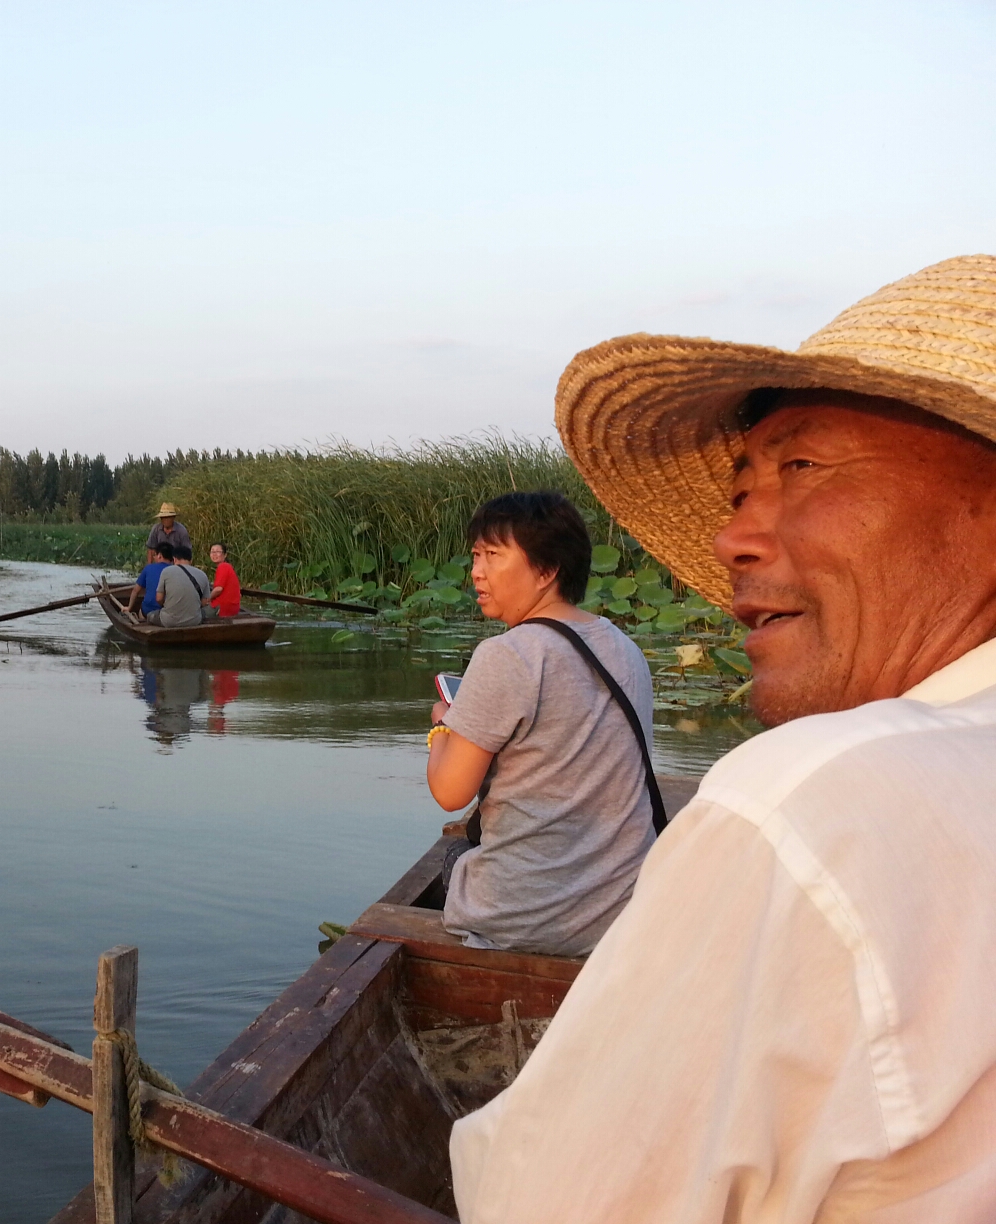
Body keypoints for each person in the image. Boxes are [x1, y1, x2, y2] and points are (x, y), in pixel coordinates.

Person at [448, 255, 996, 1223]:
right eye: (745, 488)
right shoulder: (615, 641)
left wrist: (443, 734)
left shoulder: (811, 802)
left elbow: (541, 1203)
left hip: (519, 920)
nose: (732, 539)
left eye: (803, 466)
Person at [426, 491, 655, 957]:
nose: (476, 572)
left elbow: (450, 793)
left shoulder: (507, 654)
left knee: (453, 859)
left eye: (494, 555)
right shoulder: (624, 647)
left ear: (547, 571)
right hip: (622, 914)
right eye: (475, 555)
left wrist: (442, 728)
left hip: (525, 922)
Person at [152, 543, 211, 627]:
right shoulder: (202, 574)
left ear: (174, 559)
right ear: (191, 560)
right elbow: (205, 602)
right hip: (194, 621)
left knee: (150, 615)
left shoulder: (166, 571)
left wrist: (167, 605)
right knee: (207, 612)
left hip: (168, 621)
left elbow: (159, 598)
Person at [126, 544, 172, 620]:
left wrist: (129, 607)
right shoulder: (176, 570)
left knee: (142, 611)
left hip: (148, 611)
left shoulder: (148, 568)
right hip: (169, 612)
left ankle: (143, 620)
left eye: (155, 555)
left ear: (159, 556)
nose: (154, 557)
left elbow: (135, 591)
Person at [208, 542, 241, 616]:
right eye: (212, 551)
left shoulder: (223, 566)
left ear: (225, 555)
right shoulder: (227, 567)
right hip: (231, 607)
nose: (214, 554)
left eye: (218, 552)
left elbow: (218, 589)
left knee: (195, 613)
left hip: (223, 606)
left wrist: (207, 599)